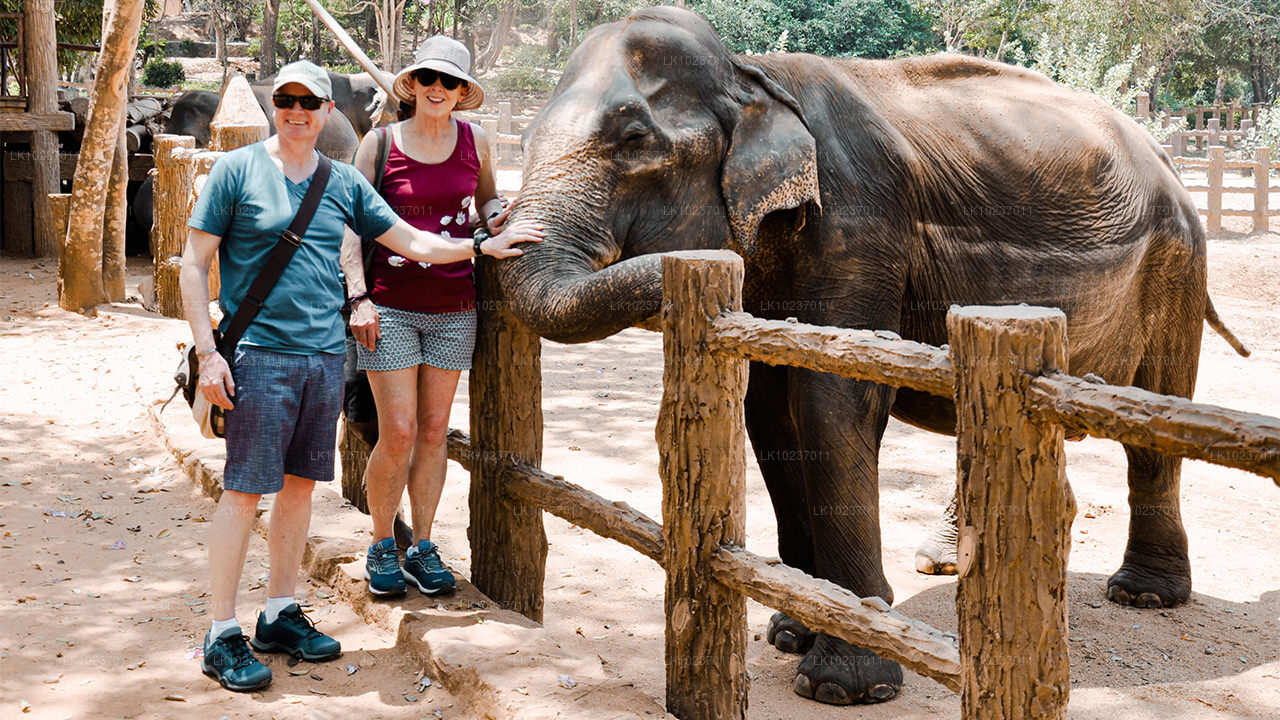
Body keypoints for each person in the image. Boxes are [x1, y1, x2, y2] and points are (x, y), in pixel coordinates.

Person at [179, 60, 541, 693]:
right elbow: (193, 263)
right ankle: (219, 631)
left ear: (328, 111)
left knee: (297, 490)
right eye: (285, 100)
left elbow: (411, 241)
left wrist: (478, 248)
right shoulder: (236, 171)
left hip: (323, 355)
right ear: (275, 106)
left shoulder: (341, 180)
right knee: (243, 492)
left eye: (309, 102)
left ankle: (278, 613)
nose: (296, 111)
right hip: (258, 355)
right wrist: (208, 353)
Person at [343, 36, 503, 597]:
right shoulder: (380, 145)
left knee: (434, 431)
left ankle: (425, 545)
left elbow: (486, 203)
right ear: (412, 86)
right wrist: (357, 297)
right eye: (429, 79)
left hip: (456, 307)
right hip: (388, 306)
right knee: (399, 431)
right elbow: (351, 228)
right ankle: (383, 543)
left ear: (463, 93)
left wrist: (501, 215)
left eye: (451, 82)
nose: (439, 89)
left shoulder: (477, 142)